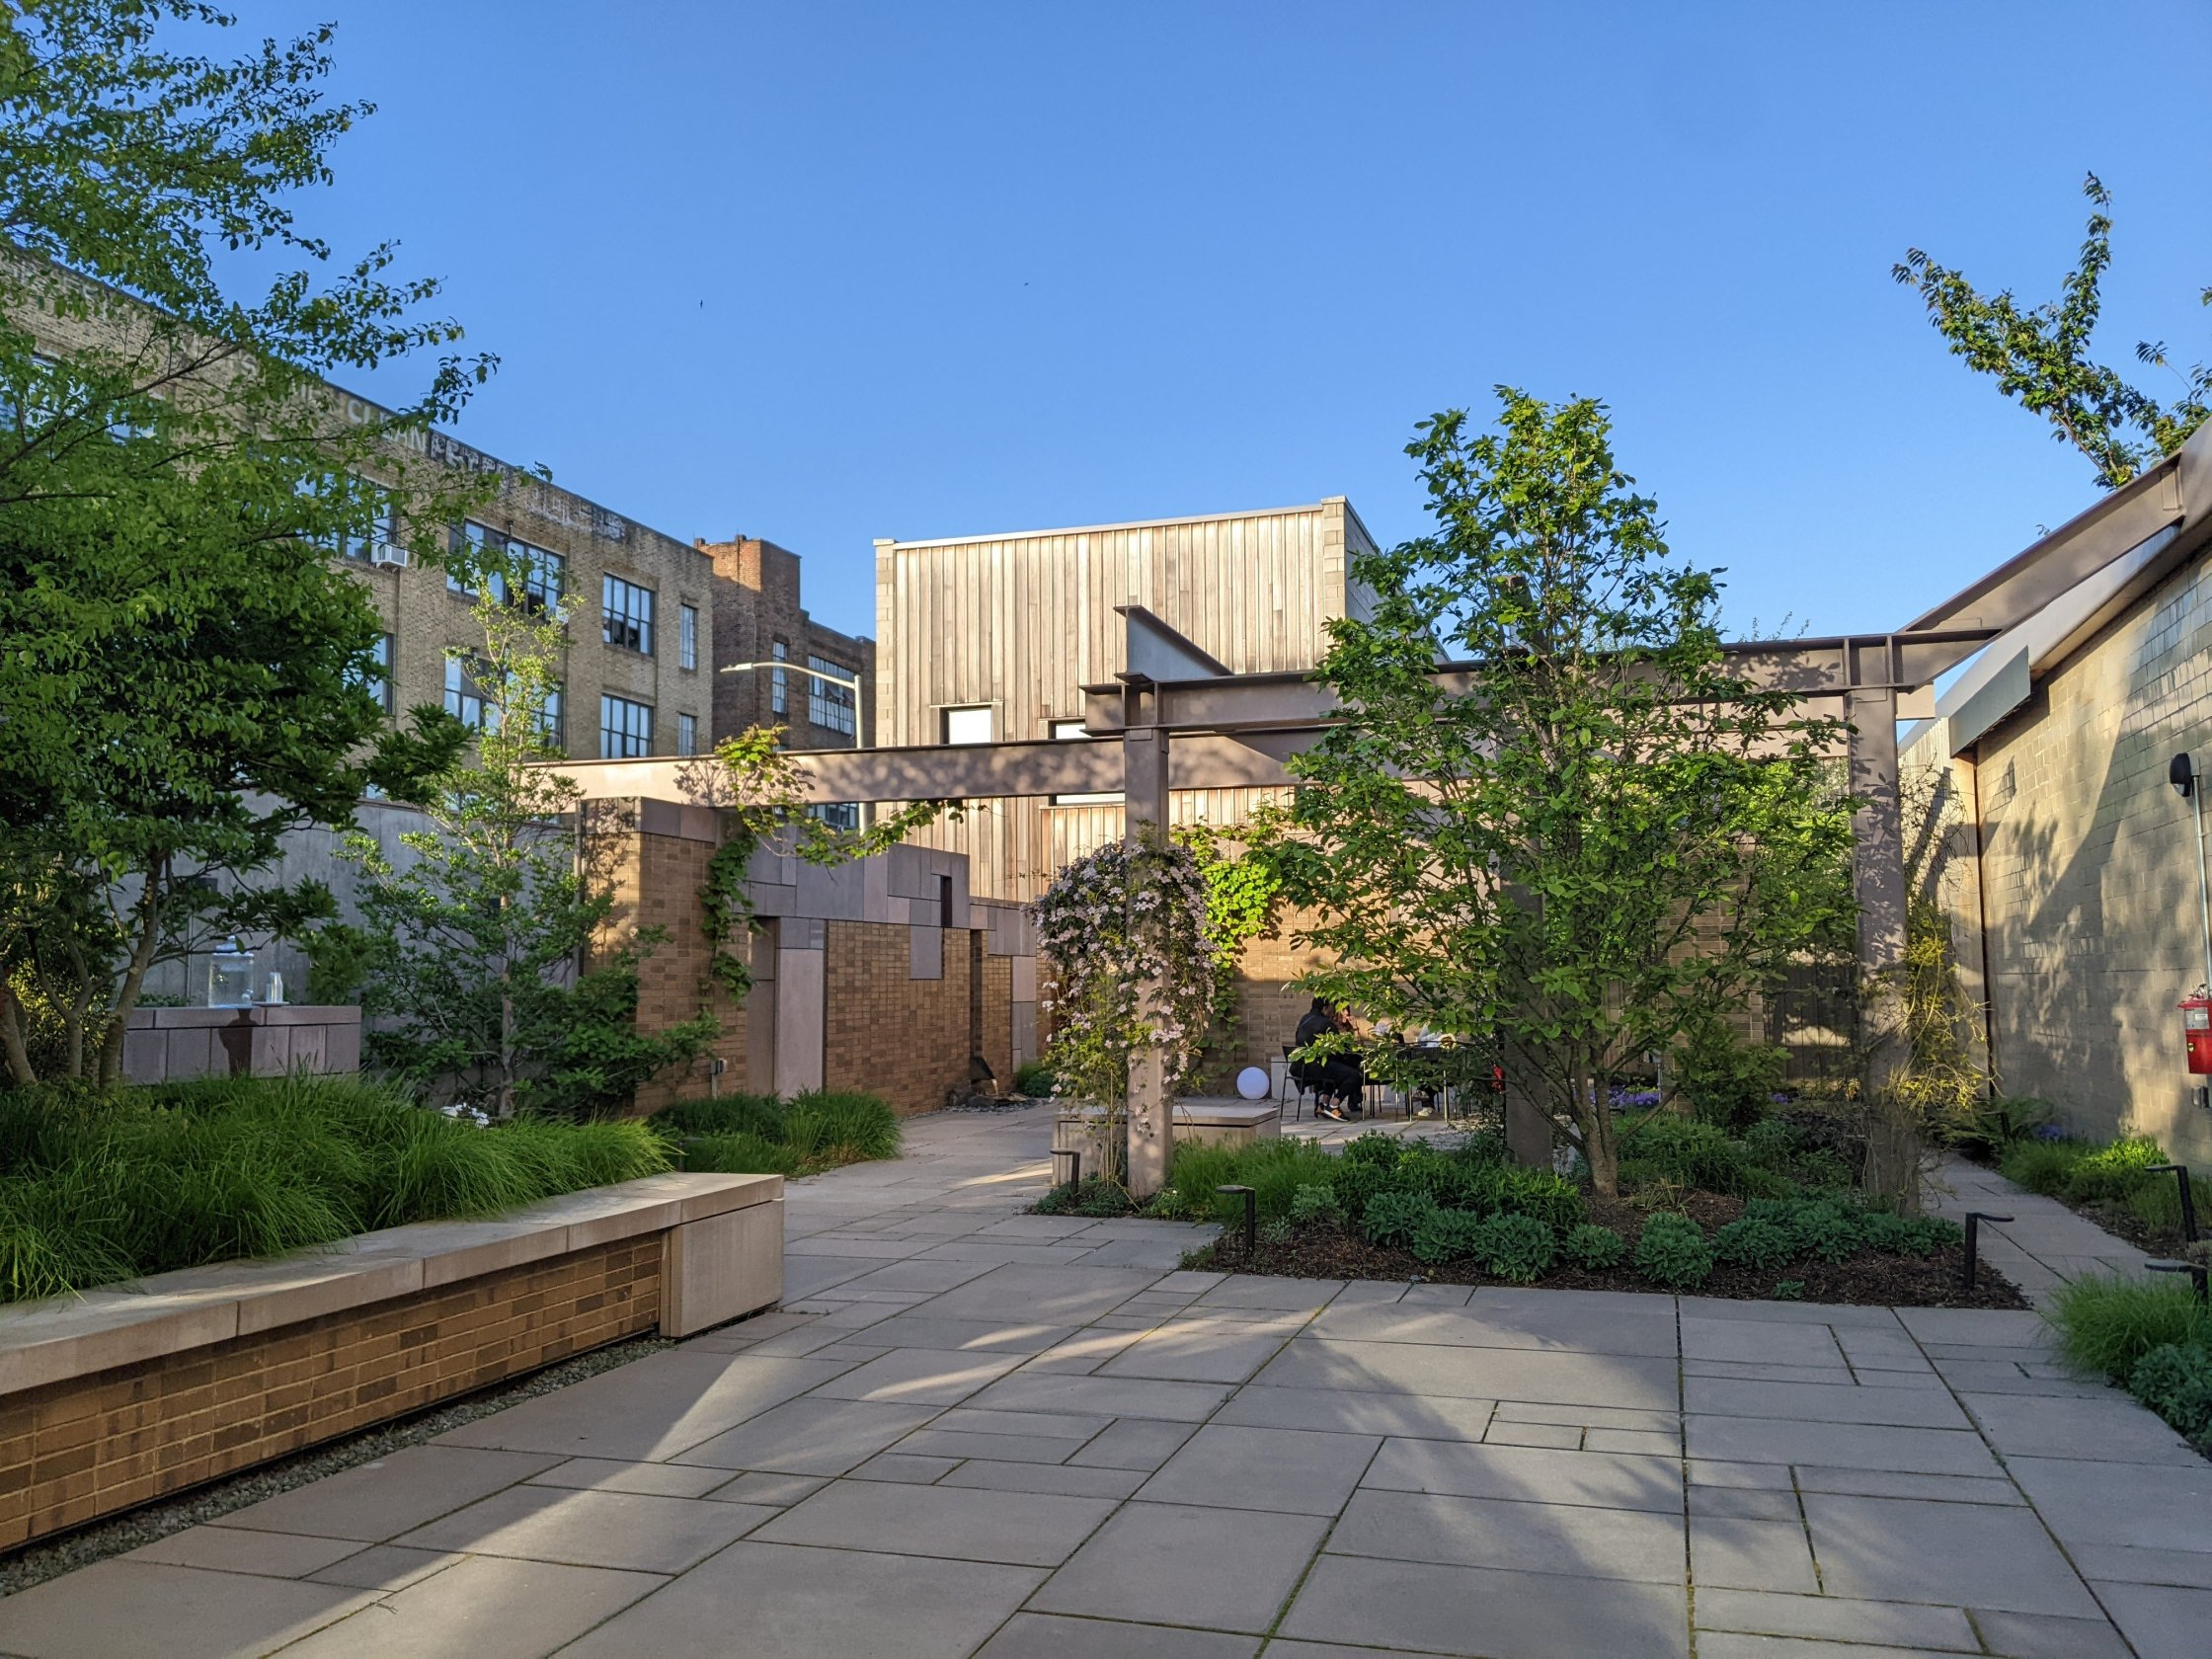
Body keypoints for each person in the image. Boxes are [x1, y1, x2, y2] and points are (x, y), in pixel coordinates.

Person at [1293, 997, 1365, 1121]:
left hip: (1300, 1067)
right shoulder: (1326, 1024)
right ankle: (1334, 1105)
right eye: (1331, 1008)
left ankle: (1323, 1104)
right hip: (1316, 1067)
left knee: (1335, 1070)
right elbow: (1341, 1050)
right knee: (1354, 1075)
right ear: (1324, 1008)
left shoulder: (1305, 1019)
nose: (1332, 1011)